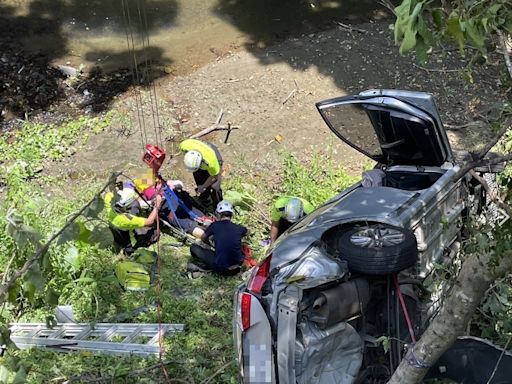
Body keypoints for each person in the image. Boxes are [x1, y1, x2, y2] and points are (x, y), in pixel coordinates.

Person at [189, 200, 247, 276]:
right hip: (237, 268)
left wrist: (209, 244)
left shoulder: (214, 225)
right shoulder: (239, 228)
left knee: (194, 247)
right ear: (231, 214)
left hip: (221, 269)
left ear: (218, 214)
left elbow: (203, 237)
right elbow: (246, 231)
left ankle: (206, 267)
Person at [104, 186, 162, 255]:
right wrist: (157, 206)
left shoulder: (109, 198)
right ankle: (130, 249)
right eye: (131, 200)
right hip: (124, 233)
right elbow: (150, 221)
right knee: (155, 233)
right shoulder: (126, 220)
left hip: (114, 228)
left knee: (135, 205)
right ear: (123, 207)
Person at [179, 138, 223, 209]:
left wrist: (204, 187)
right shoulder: (184, 145)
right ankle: (204, 198)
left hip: (212, 154)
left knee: (215, 186)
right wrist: (202, 187)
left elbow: (214, 177)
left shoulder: (211, 162)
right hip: (200, 147)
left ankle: (218, 206)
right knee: (199, 177)